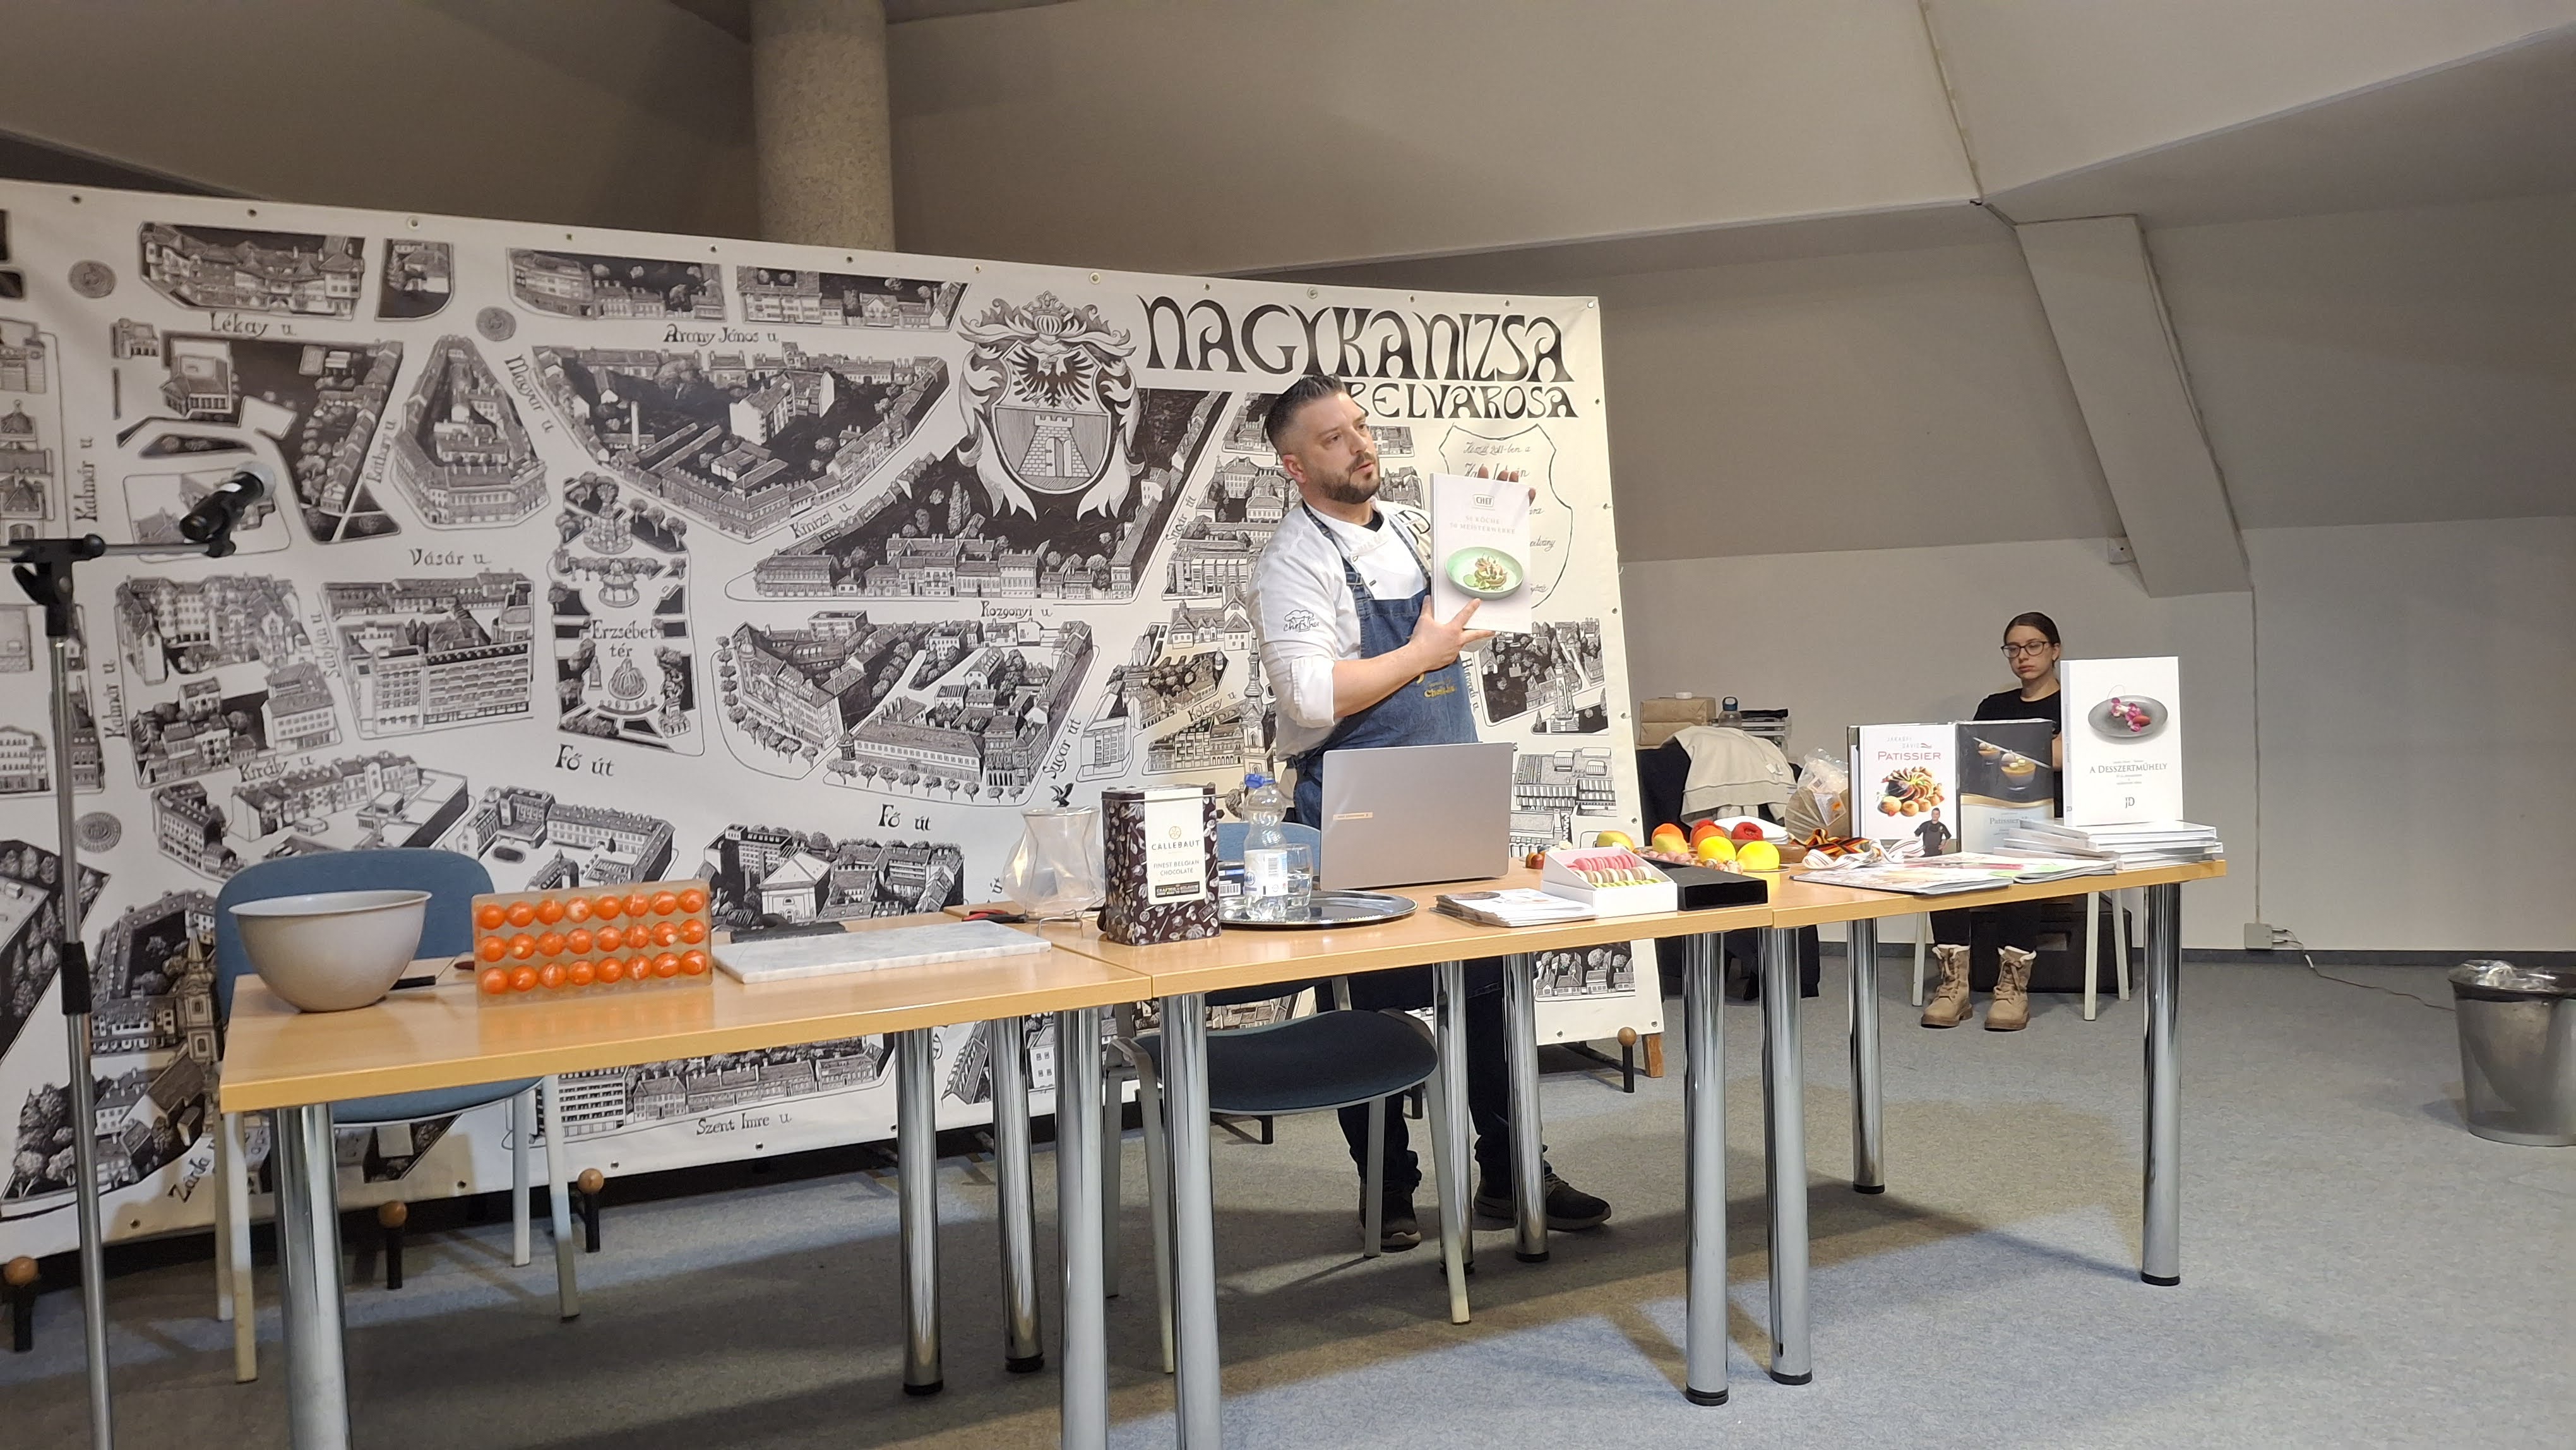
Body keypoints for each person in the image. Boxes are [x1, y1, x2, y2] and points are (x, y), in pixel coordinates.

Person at [1249, 374, 1611, 1249]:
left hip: (1450, 790)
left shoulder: (1413, 528)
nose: (1359, 445)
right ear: (1295, 466)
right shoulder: (1292, 563)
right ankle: (1387, 1184)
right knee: (1370, 1007)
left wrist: (1495, 537)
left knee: (1490, 992)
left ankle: (1513, 1170)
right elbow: (1309, 694)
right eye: (1333, 438)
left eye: (1360, 427)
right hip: (1360, 807)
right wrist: (1420, 651)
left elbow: (1472, 617)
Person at [1924, 611, 2065, 1031]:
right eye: (2013, 648)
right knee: (1942, 855)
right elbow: (1973, 760)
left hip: (2051, 819)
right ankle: (1954, 985)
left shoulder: (2074, 703)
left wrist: (2005, 754)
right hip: (1988, 811)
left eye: (2034, 646)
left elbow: (2065, 759)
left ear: (2055, 650)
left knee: (2021, 854)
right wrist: (2037, 752)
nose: (2023, 656)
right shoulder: (1994, 706)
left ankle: (2013, 987)